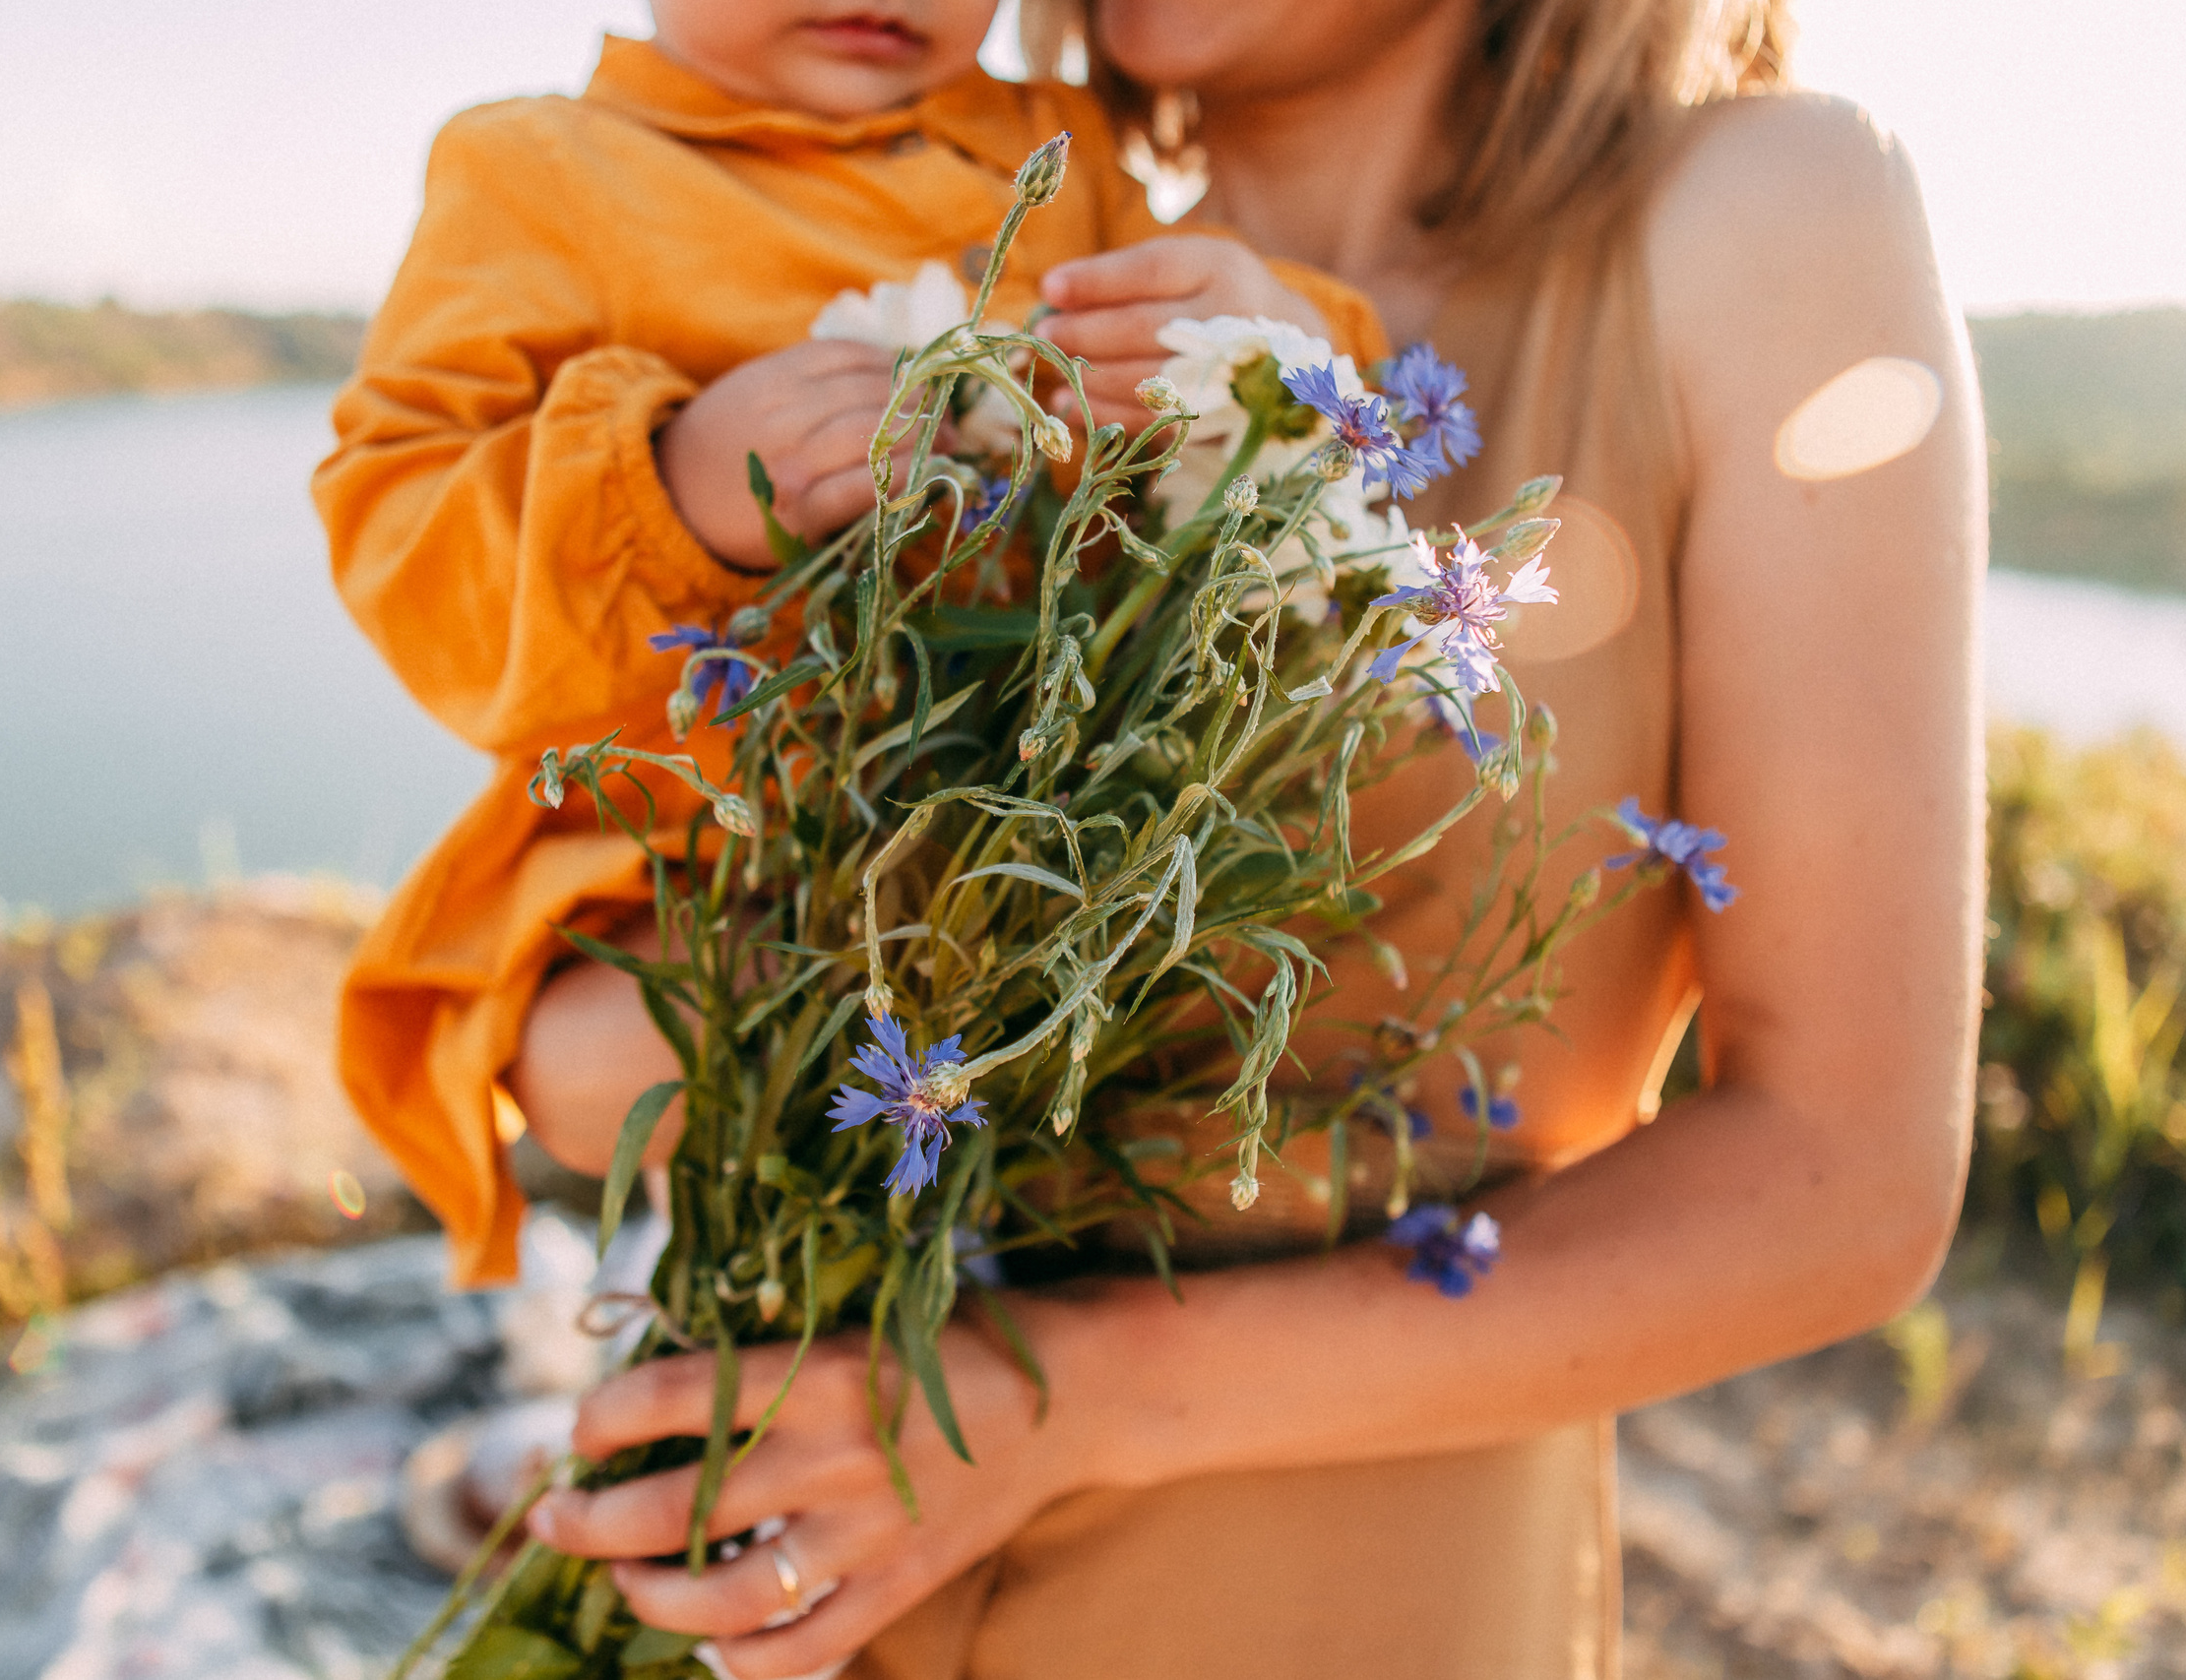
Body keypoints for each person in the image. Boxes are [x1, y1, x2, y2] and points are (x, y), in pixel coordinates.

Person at [514, 1, 1986, 1677]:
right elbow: (572, 993)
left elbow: (1846, 1181)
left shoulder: (1762, 213)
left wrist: (1041, 1407)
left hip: (1324, 1611)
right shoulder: (953, 223)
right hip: (784, 1587)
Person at [314, 0, 1386, 1287]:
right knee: (643, 1048)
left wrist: (1262, 338)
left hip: (1034, 810)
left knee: (1144, 985)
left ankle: (935, 1275)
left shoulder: (1064, 153)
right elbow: (400, 524)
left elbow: (1248, 401)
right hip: (700, 844)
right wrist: (673, 483)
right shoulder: (541, 168)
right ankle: (726, 1286)